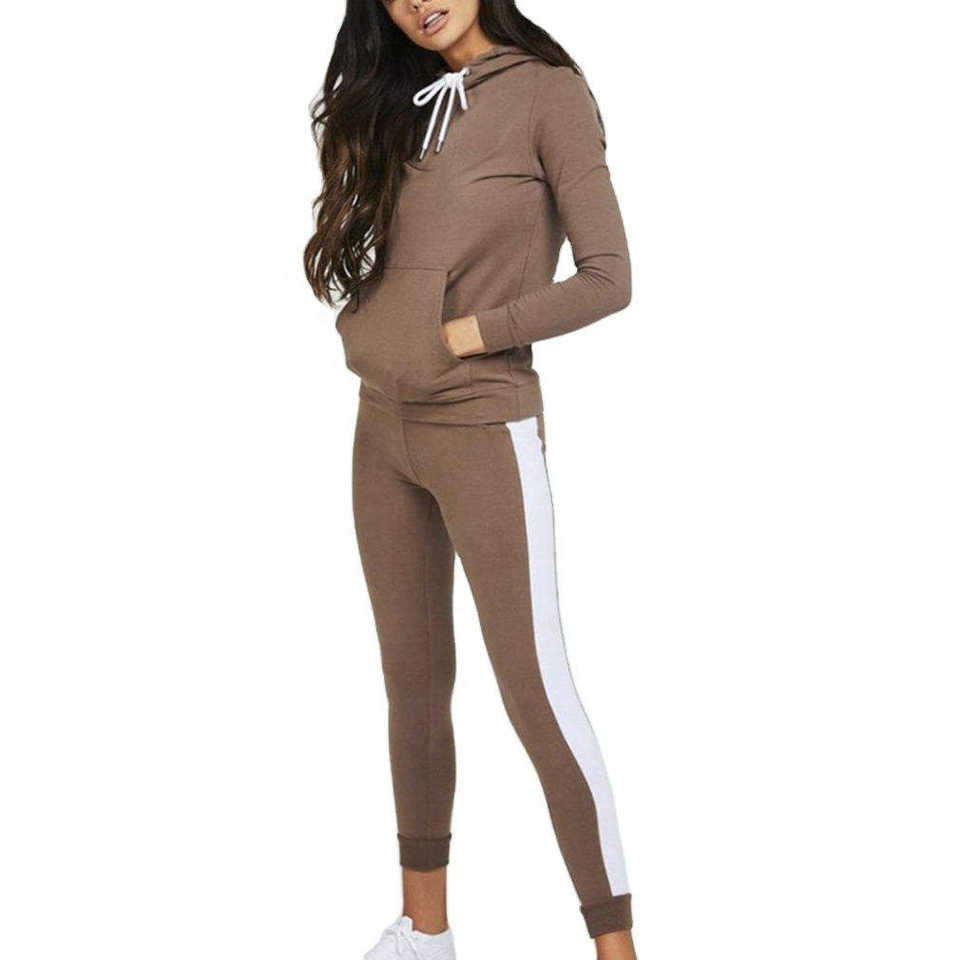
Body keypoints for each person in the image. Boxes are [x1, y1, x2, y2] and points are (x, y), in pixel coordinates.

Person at [305, 2, 635, 957]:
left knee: (537, 693)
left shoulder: (548, 96)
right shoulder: (406, 102)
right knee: (412, 685)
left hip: (484, 426)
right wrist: (380, 325)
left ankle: (616, 947)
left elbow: (609, 277)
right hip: (380, 429)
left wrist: (466, 334)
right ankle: (426, 933)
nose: (417, 1)